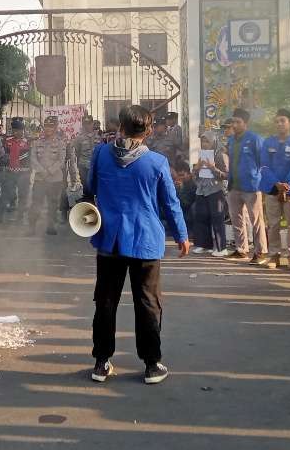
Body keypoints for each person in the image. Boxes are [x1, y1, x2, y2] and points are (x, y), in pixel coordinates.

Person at [84, 105, 190, 385]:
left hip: (109, 240)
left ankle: (101, 362)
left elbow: (90, 187)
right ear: (149, 129)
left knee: (106, 301)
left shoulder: (101, 154)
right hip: (145, 241)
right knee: (148, 303)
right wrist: (182, 235)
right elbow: (170, 203)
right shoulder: (156, 162)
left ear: (120, 126)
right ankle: (152, 365)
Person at [259, 109, 290, 270]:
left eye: (283, 120)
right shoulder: (268, 143)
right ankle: (274, 256)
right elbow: (264, 166)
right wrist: (277, 184)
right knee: (273, 224)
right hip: (272, 189)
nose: (279, 124)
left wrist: (287, 185)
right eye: (277, 121)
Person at [225, 109, 266, 261]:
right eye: (233, 122)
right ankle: (241, 249)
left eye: (238, 122)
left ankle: (260, 252)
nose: (234, 125)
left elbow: (263, 162)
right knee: (237, 219)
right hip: (234, 186)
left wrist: (259, 180)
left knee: (256, 220)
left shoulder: (255, 139)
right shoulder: (231, 140)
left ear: (246, 124)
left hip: (251, 187)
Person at [30, 116, 70, 235]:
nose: (48, 129)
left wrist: (50, 171)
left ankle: (50, 225)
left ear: (56, 128)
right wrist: (42, 170)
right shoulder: (37, 143)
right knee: (36, 202)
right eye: (46, 126)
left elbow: (61, 161)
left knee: (53, 203)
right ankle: (32, 226)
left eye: (51, 126)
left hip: (54, 179)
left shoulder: (61, 143)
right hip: (40, 178)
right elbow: (33, 159)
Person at [191, 133, 228, 256]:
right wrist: (197, 167)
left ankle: (221, 248)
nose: (204, 144)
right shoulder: (201, 155)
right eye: (203, 142)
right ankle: (203, 245)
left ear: (213, 142)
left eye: (207, 141)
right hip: (201, 190)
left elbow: (226, 175)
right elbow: (194, 174)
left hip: (215, 190)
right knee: (201, 217)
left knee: (217, 218)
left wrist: (213, 168)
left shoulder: (220, 155)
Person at [0, 118, 32, 224]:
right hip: (10, 172)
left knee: (23, 196)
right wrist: (4, 163)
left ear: (22, 130)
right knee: (5, 194)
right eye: (14, 130)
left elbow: (32, 157)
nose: (15, 132)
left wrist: (29, 172)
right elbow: (3, 156)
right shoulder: (7, 141)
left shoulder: (29, 142)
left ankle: (20, 217)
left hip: (24, 173)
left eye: (18, 130)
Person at [71, 117, 102, 190]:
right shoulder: (79, 138)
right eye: (85, 124)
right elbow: (77, 152)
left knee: (96, 186)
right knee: (86, 187)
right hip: (84, 166)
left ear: (92, 124)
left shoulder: (99, 136)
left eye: (89, 124)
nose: (87, 126)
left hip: (96, 165)